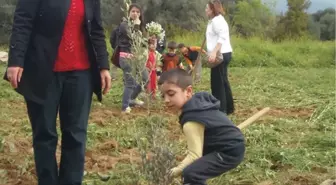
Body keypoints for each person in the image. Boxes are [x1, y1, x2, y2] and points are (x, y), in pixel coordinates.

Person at [4, 0, 111, 184]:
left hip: (80, 73)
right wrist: (16, 60)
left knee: (76, 135)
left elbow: (96, 28)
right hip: (43, 69)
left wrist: (103, 65)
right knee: (44, 135)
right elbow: (23, 20)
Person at [158, 68, 245, 185]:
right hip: (224, 143)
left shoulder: (191, 121)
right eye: (163, 96)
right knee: (196, 168)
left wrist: (173, 172)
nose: (166, 100)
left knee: (191, 174)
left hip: (228, 151)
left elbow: (194, 155)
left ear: (188, 91)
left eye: (171, 94)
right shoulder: (199, 103)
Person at [115, 3, 148, 113]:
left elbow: (141, 41)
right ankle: (125, 107)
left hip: (137, 58)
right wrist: (137, 25)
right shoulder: (125, 25)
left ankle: (132, 99)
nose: (135, 14)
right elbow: (132, 37)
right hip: (126, 57)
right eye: (133, 11)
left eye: (138, 12)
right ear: (129, 12)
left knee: (145, 78)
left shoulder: (140, 25)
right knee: (130, 82)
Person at [205, 0, 235, 114]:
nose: (205, 10)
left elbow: (222, 37)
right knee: (223, 81)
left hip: (220, 55)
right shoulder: (214, 21)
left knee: (217, 83)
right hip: (223, 53)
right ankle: (229, 107)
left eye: (207, 8)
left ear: (213, 9)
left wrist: (214, 52)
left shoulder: (217, 21)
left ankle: (220, 110)